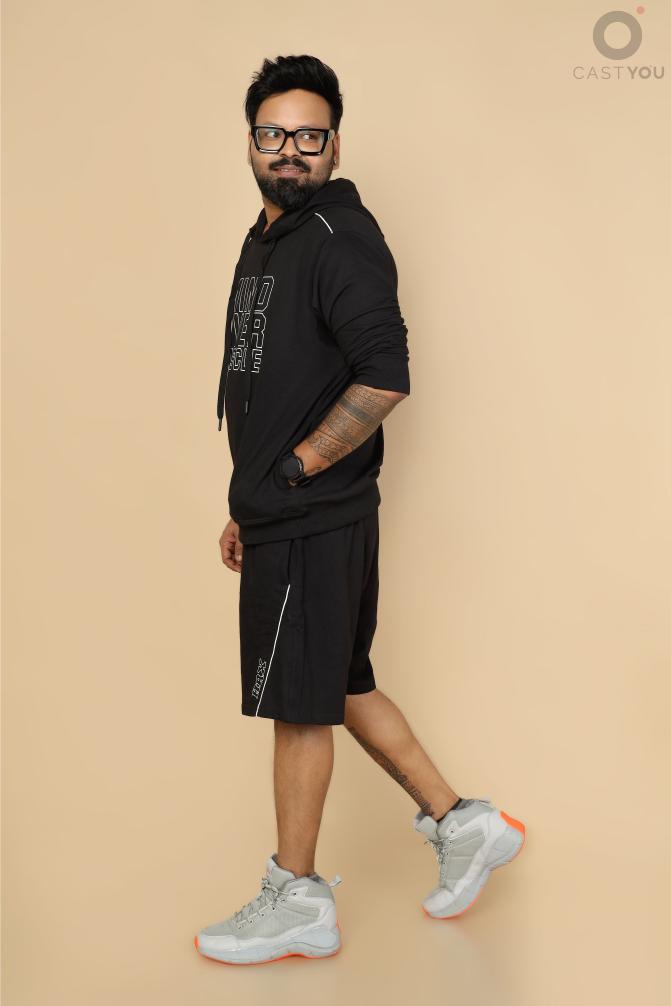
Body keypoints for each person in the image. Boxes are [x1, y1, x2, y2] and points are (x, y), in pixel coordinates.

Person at [195, 54, 525, 966]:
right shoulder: (270, 238)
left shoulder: (338, 237)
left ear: (335, 144)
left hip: (312, 513)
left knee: (299, 706)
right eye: (273, 133)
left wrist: (291, 476)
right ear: (250, 141)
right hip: (286, 512)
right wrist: (250, 500)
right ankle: (463, 824)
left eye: (309, 136)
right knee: (338, 681)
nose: (289, 151)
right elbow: (274, 384)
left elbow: (383, 376)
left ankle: (297, 898)